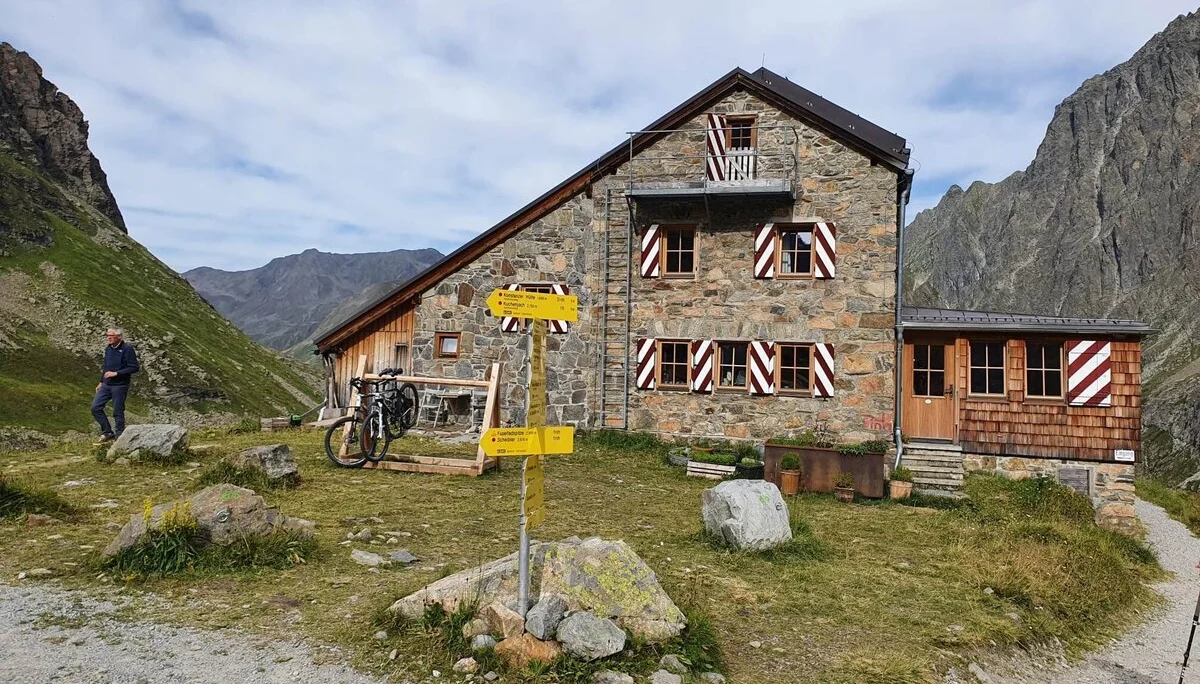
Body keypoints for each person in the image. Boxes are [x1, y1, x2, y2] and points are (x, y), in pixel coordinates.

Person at [92, 327, 140, 441]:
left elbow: (134, 367)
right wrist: (101, 382)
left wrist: (117, 373)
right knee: (95, 407)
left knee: (117, 411)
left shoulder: (127, 349)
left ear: (119, 337)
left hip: (120, 385)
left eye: (111, 336)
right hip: (106, 385)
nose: (108, 338)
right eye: (107, 335)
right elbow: (106, 367)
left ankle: (119, 436)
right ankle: (107, 432)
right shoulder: (108, 349)